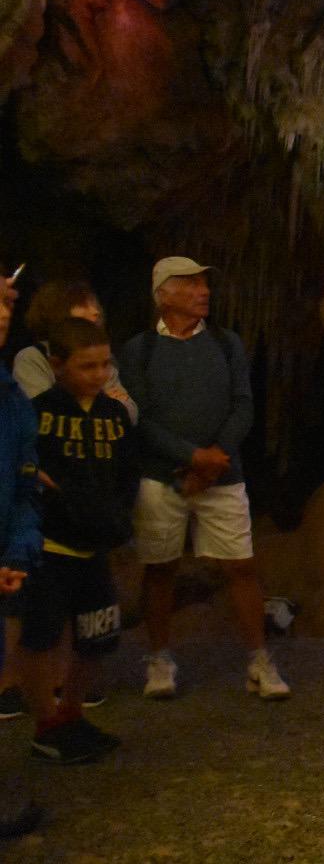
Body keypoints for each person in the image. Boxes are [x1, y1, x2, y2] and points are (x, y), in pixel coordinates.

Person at [121, 257, 288, 700]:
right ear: (164, 294)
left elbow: (243, 404)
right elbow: (139, 417)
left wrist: (213, 460)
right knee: (160, 568)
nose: (204, 291)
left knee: (241, 565)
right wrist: (192, 456)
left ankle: (259, 659)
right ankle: (160, 658)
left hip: (222, 476)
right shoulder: (140, 350)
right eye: (191, 283)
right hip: (163, 477)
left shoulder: (226, 343)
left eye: (203, 283)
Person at [15, 319, 136, 763]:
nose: (99, 374)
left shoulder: (114, 415)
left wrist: (118, 519)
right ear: (57, 365)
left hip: (94, 545)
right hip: (50, 546)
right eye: (87, 366)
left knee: (98, 635)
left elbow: (125, 473)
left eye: (105, 364)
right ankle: (46, 724)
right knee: (41, 636)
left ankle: (71, 713)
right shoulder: (37, 413)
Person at [0, 279, 44, 840]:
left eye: (7, 300)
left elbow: (23, 483)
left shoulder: (10, 396)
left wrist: (17, 548)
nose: (3, 311)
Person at [12, 279, 137, 420]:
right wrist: (104, 401)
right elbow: (40, 413)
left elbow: (131, 413)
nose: (95, 312)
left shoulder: (101, 354)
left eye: (94, 305)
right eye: (83, 305)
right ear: (57, 310)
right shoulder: (33, 357)